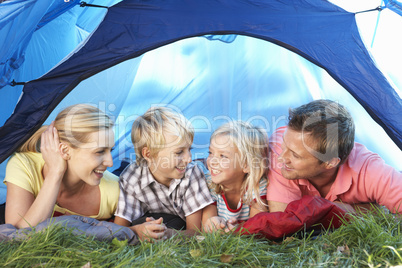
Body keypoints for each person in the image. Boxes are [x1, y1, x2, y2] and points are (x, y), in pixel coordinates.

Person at [267, 99, 402, 214]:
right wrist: (358, 210)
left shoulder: (371, 170)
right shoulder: (279, 146)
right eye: (284, 146)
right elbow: (284, 222)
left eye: (295, 155)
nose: (281, 158)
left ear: (330, 162)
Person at [114, 106, 214, 239]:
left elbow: (195, 232)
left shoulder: (191, 174)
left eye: (189, 149)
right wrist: (138, 230)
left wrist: (168, 234)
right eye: (179, 152)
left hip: (196, 191)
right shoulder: (132, 178)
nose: (188, 158)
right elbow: (119, 229)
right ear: (148, 154)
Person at [201, 121, 269, 232]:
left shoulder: (257, 186)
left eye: (223, 156)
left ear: (246, 165)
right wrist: (215, 224)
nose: (212, 161)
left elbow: (256, 227)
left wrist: (238, 230)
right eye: (210, 152)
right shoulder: (209, 183)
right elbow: (207, 225)